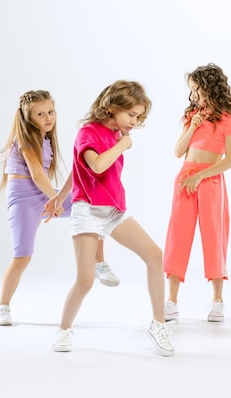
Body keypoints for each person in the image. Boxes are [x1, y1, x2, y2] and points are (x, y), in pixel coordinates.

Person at [44, 80, 173, 356]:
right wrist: (124, 145)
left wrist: (59, 196)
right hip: (88, 211)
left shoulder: (115, 133)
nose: (135, 122)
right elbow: (96, 165)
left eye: (139, 117)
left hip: (113, 210)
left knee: (154, 255)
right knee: (85, 281)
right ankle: (64, 330)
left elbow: (76, 171)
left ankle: (159, 323)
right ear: (113, 108)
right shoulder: (88, 132)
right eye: (132, 115)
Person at [0, 90, 120, 327]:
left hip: (44, 194)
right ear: (29, 118)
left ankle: (99, 262)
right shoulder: (24, 139)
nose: (48, 117)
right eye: (41, 114)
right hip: (23, 198)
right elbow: (37, 174)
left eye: (51, 111)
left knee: (91, 204)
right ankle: (2, 306)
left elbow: (66, 172)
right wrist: (55, 199)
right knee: (22, 256)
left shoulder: (46, 139)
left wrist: (58, 197)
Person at [163, 63, 231, 323]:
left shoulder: (227, 120)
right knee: (178, 235)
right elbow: (178, 152)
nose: (194, 96)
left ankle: (218, 300)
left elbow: (230, 160)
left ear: (210, 89)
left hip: (210, 180)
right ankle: (172, 301)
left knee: (214, 236)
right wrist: (192, 127)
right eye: (192, 92)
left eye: (198, 91)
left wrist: (201, 176)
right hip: (185, 178)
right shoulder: (192, 116)